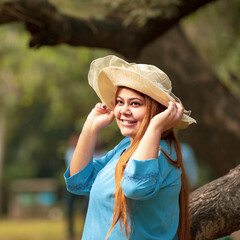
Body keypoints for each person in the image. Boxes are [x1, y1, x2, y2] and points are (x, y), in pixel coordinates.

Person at [64, 55, 196, 240]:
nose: (124, 110)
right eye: (120, 102)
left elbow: (135, 187)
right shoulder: (125, 147)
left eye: (135, 103)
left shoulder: (162, 152)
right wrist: (90, 127)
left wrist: (155, 126)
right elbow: (78, 183)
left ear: (158, 110)